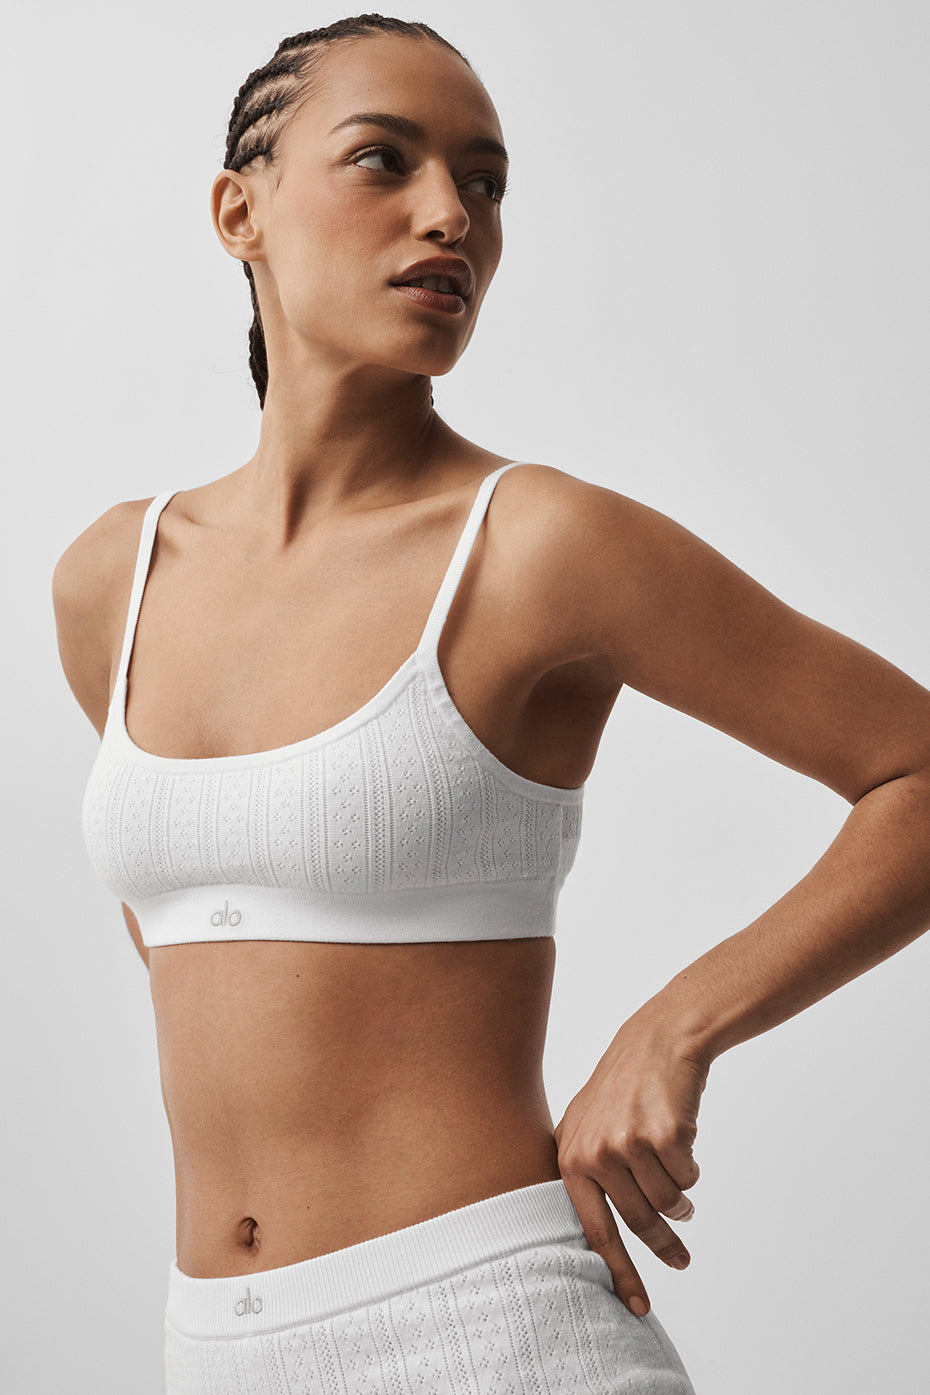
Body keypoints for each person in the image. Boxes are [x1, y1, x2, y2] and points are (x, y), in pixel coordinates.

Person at [51, 13, 930, 1394]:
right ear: (240, 212)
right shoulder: (116, 578)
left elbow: (912, 772)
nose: (450, 216)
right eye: (384, 160)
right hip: (214, 1355)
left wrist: (673, 1028)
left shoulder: (538, 548)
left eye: (485, 181)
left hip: (492, 1333)